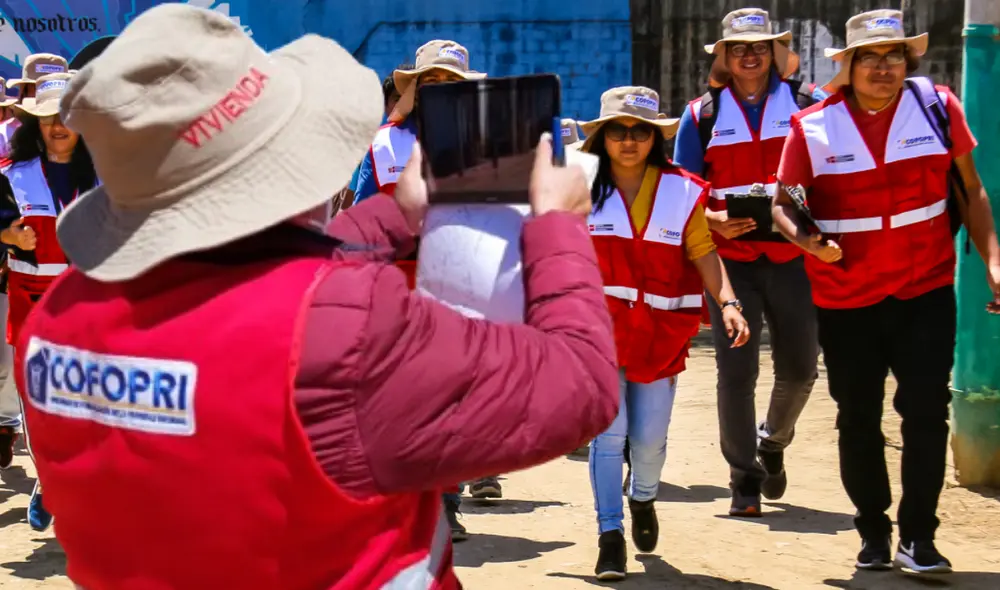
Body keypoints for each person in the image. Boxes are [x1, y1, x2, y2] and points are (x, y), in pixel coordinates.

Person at [15, 5, 619, 588]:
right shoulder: (345, 327)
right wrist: (558, 226)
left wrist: (395, 212)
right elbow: (581, 385)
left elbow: (252, 279)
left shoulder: (56, 322)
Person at [772, 9, 1000, 575]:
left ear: (908, 61)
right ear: (847, 67)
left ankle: (919, 536)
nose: (883, 67)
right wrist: (810, 241)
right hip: (847, 297)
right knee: (858, 416)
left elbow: (971, 190)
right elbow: (782, 205)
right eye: (869, 58)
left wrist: (994, 259)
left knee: (926, 411)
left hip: (924, 289)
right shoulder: (814, 128)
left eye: (893, 55)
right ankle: (873, 527)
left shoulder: (938, 108)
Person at [580, 86, 750, 581]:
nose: (629, 141)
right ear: (603, 137)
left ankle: (644, 497)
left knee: (650, 440)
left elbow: (703, 251)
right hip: (598, 332)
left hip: (660, 333)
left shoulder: (683, 190)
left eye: (640, 131)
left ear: (655, 137)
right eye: (618, 131)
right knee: (608, 436)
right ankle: (609, 535)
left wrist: (730, 303)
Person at [672, 8, 826, 516]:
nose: (749, 54)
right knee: (736, 372)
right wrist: (711, 219)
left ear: (775, 52)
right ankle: (743, 478)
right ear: (724, 57)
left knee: (801, 370)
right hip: (731, 261)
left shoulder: (810, 105)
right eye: (737, 47)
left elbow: (830, 175)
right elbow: (683, 189)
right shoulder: (701, 116)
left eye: (759, 46)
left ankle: (773, 441)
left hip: (794, 257)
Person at [0, 71, 95, 531]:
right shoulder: (8, 176)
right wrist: (5, 233)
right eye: (46, 118)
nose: (57, 126)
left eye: (67, 117)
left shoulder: (109, 175)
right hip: (30, 307)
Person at [0, 54, 70, 160]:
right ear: (24, 90)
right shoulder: (4, 135)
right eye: (39, 87)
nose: (46, 93)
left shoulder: (80, 133)